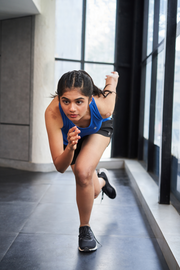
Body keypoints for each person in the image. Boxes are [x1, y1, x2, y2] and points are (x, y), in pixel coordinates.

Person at [45, 70, 119, 252]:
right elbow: (60, 167)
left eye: (79, 102)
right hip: (71, 138)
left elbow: (110, 93)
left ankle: (84, 229)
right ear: (59, 98)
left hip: (98, 129)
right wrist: (70, 147)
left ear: (90, 99)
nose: (72, 109)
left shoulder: (103, 107)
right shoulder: (53, 114)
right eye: (65, 101)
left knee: (83, 171)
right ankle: (102, 180)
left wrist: (112, 80)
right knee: (92, 191)